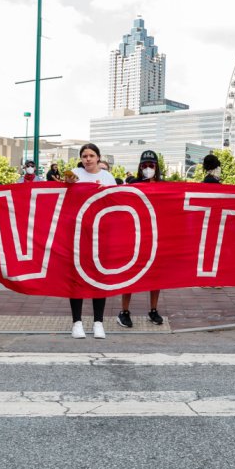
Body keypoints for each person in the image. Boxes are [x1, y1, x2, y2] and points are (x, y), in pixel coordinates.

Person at [64, 143, 117, 338]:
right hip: (76, 232)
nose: (88, 159)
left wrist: (106, 192)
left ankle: (98, 322)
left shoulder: (107, 177)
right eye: (84, 155)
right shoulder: (74, 174)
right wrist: (67, 183)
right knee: (76, 276)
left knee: (99, 276)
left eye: (91, 155)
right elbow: (65, 198)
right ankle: (76, 322)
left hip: (100, 233)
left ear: (98, 157)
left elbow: (116, 202)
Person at [118, 150, 165, 329]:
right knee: (130, 275)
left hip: (157, 236)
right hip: (136, 236)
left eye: (151, 165)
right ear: (139, 167)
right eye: (144, 166)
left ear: (156, 167)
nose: (147, 169)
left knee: (156, 277)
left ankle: (153, 310)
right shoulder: (133, 185)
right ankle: (124, 311)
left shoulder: (164, 186)